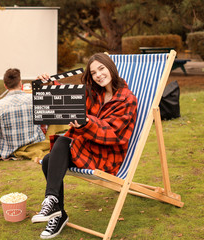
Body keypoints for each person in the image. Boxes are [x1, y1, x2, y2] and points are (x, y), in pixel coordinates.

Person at [31, 53, 138, 239]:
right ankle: (57, 211)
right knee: (49, 160)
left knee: (62, 142)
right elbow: (68, 95)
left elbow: (114, 135)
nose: (98, 75)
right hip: (87, 146)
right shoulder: (94, 93)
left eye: (102, 69)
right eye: (94, 72)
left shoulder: (128, 99)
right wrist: (48, 84)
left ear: (110, 67)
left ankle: (53, 205)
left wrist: (87, 123)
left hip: (107, 155)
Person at [0, 68, 46, 159]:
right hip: (35, 146)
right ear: (20, 83)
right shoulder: (34, 99)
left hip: (10, 151)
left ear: (5, 86)